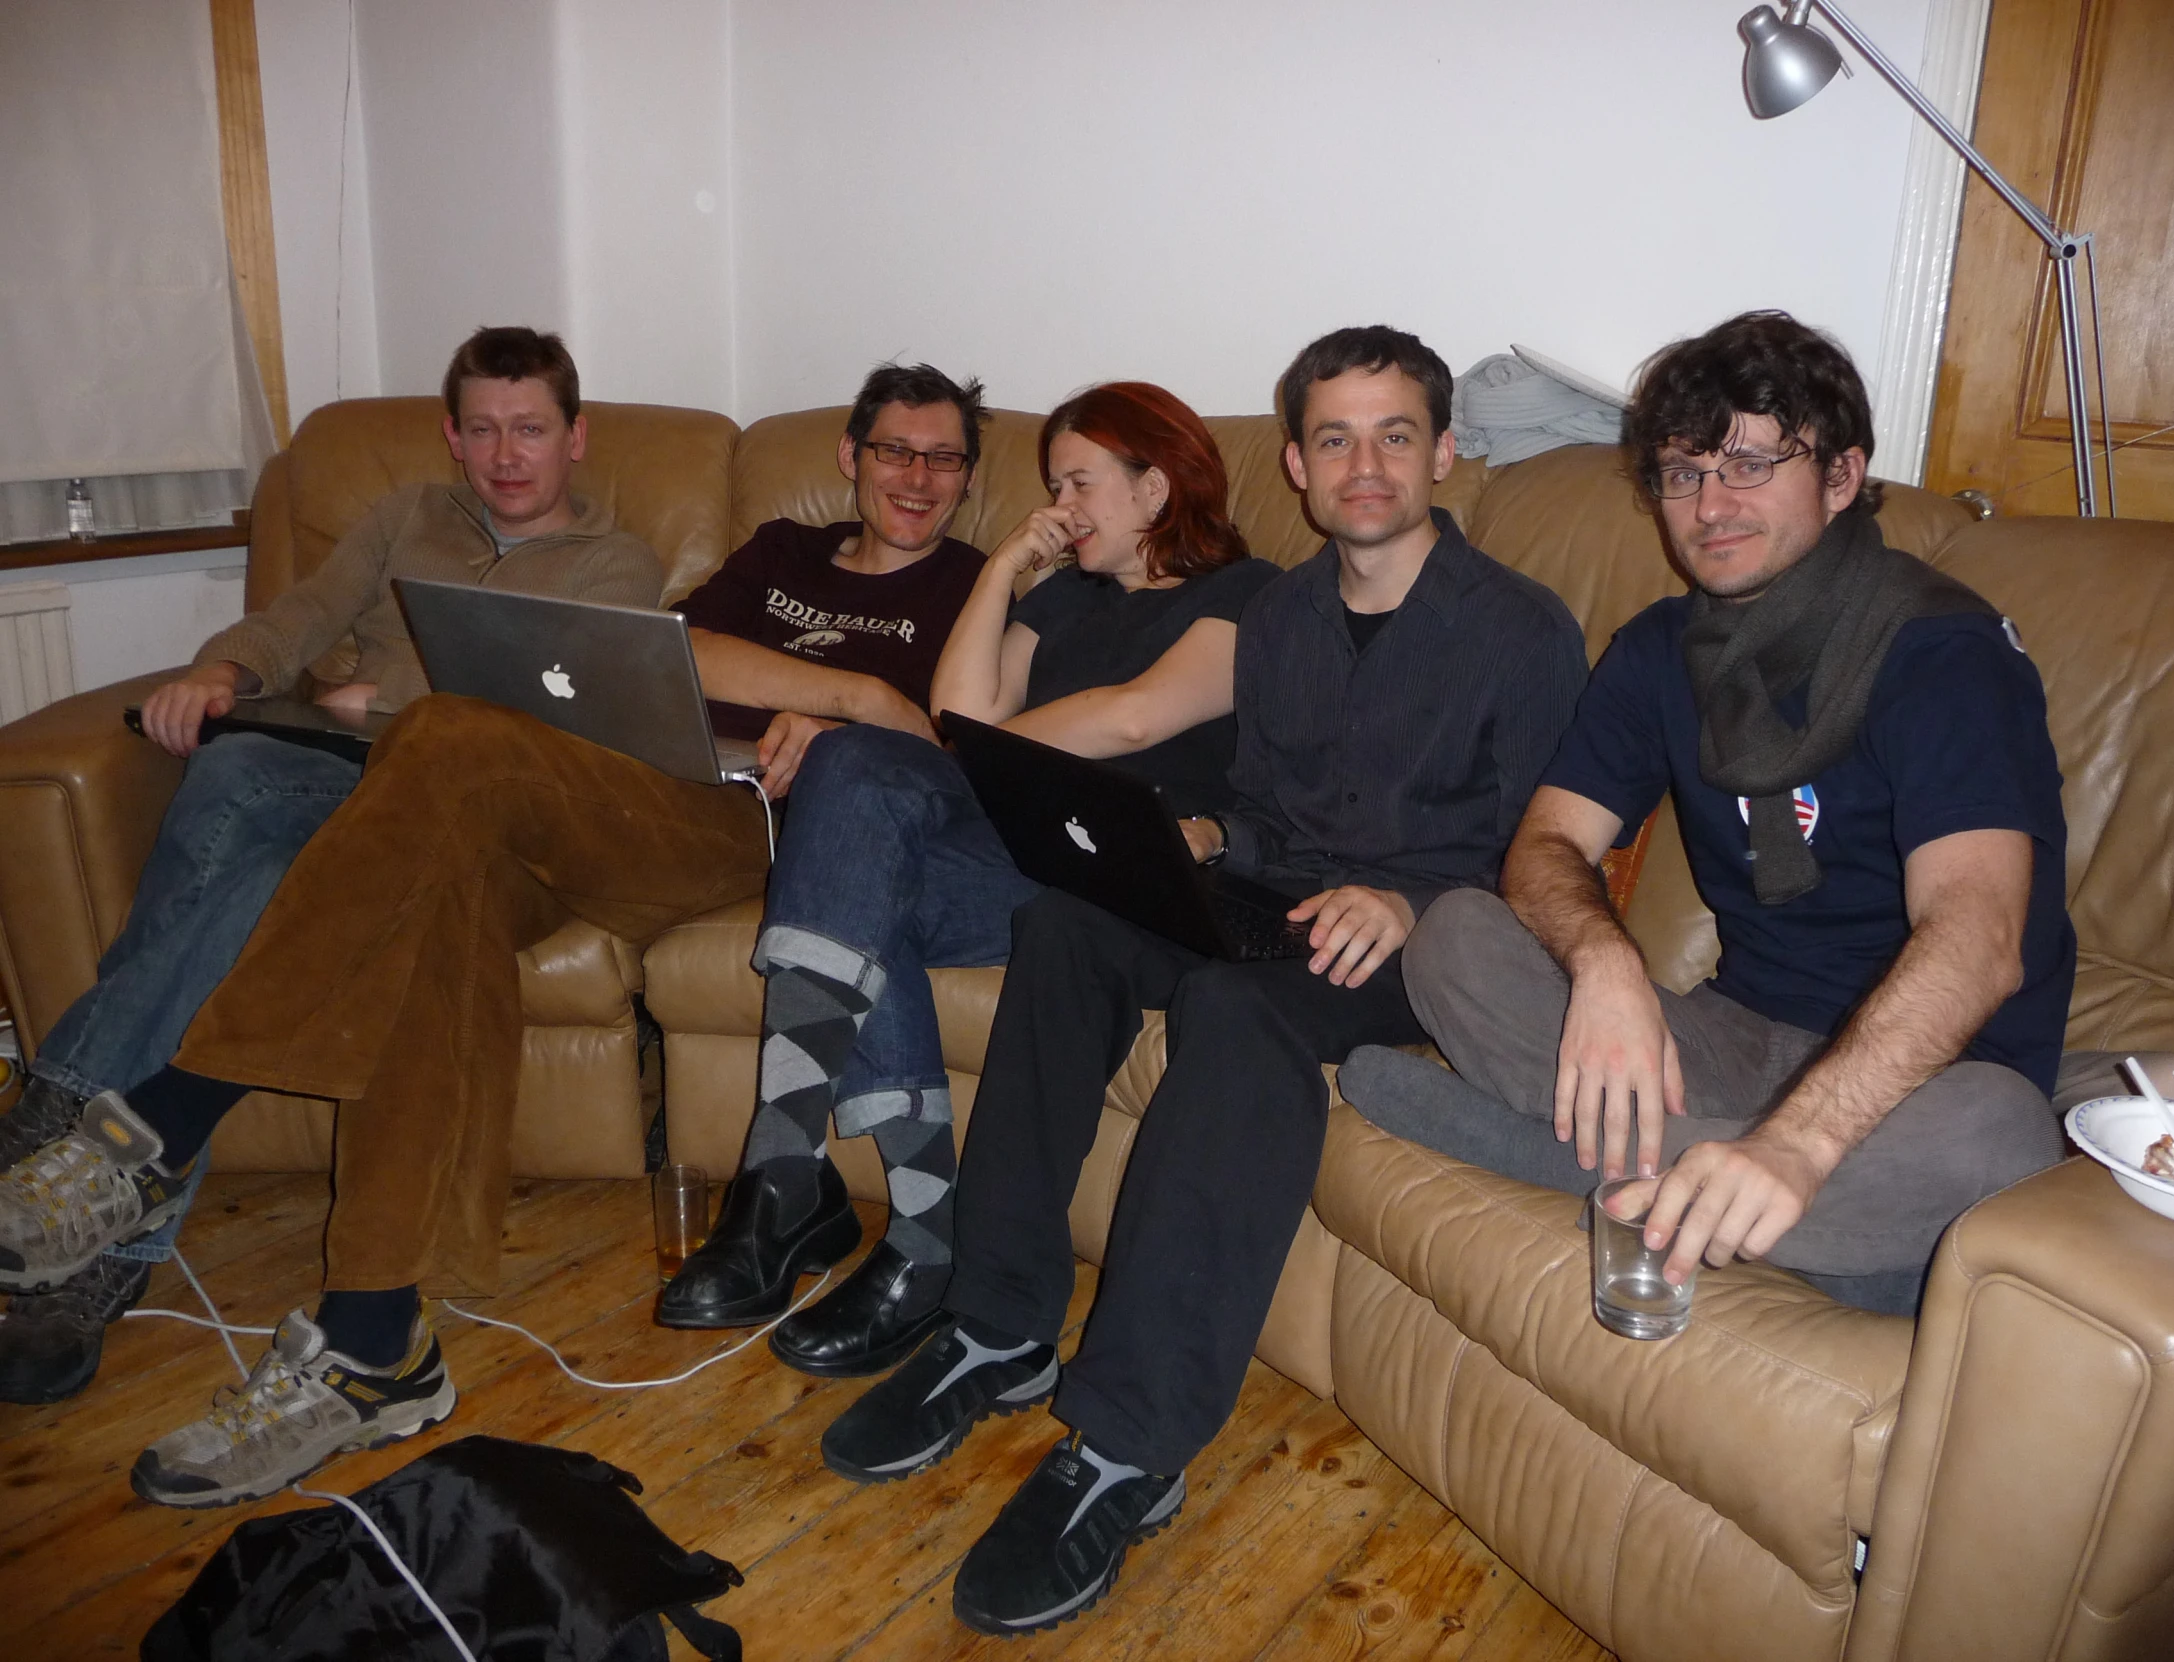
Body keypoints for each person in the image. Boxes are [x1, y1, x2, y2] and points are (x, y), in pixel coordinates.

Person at [0, 360, 996, 1503]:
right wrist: (839, 687)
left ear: (968, 479)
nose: (916, 478)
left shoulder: (969, 588)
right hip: (606, 786)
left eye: (944, 458)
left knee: (449, 733)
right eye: (893, 452)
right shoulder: (778, 549)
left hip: (736, 825)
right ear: (850, 459)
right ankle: (373, 1343)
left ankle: (167, 1115)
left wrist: (860, 714)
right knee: (436, 903)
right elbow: (678, 653)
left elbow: (950, 749)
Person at [817, 327, 1588, 1637]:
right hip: (1269, 895)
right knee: (1067, 923)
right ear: (1296, 461)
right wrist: (1203, 842)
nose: (1364, 463)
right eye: (1334, 437)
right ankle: (996, 1319)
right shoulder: (1278, 613)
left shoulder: (1521, 630)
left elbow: (1543, 856)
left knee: (1235, 1008)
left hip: (1425, 939)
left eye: (1395, 434)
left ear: (1444, 451)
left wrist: (1404, 902)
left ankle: (1124, 1443)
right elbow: (1261, 810)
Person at [1340, 309, 2072, 1316]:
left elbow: (1979, 937)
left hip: (1924, 1079)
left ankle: (1581, 1165)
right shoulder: (1656, 650)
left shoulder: (1942, 656)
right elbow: (1547, 843)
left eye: (1747, 466)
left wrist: (1799, 1144)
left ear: (1842, 477)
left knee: (2002, 1134)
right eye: (1681, 474)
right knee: (1452, 937)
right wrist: (1604, 965)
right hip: (1732, 1040)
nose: (1708, 505)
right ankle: (1800, 1230)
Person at [0, 325, 663, 1406]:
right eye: (484, 429)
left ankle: (59, 1130)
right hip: (330, 776)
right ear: (453, 436)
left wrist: (389, 704)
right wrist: (225, 670)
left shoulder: (615, 564)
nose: (506, 454)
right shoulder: (406, 516)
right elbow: (304, 615)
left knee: (249, 811)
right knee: (242, 783)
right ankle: (94, 1223)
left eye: (531, 429)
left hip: (447, 805)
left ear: (575, 437)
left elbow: (556, 726)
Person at [656, 383, 1278, 1387]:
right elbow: (958, 706)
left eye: (1077, 483)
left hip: (1118, 878)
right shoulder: (1064, 592)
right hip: (1014, 844)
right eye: (1051, 485)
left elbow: (1129, 720)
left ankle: (784, 1186)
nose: (1060, 506)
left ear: (1154, 488)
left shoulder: (1244, 595)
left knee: (857, 796)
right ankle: (911, 1227)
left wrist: (970, 754)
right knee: (851, 831)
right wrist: (1004, 567)